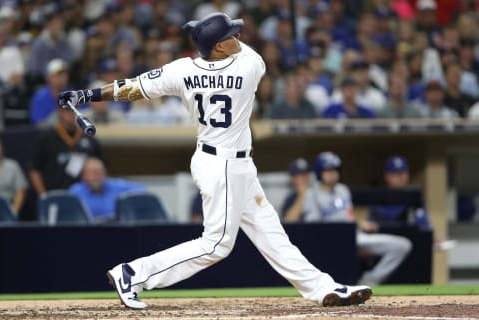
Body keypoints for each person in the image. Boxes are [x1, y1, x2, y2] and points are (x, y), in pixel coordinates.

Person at [57, 13, 372, 310]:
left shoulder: (182, 70)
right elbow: (236, 49)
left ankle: (321, 288)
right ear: (220, 46)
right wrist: (204, 33)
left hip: (225, 162)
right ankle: (133, 273)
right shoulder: (250, 66)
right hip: (223, 166)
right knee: (217, 244)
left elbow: (132, 88)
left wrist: (87, 94)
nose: (238, 36)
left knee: (270, 231)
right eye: (231, 35)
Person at [299, 151, 412, 286]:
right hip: (330, 241)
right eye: (328, 170)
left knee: (402, 246)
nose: (332, 173)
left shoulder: (343, 190)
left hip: (355, 237)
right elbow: (312, 227)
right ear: (319, 172)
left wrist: (360, 223)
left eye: (335, 169)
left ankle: (369, 281)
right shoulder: (312, 194)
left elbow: (347, 217)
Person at [29, 105, 105, 197]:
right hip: (55, 194)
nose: (70, 114)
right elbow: (35, 170)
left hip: (85, 197)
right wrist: (44, 196)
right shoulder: (45, 139)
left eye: (73, 110)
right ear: (59, 112)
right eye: (67, 111)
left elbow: (102, 168)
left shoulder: (88, 139)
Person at [69, 157, 145, 222]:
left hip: (115, 229)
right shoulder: (75, 192)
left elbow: (141, 189)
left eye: (98, 172)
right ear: (83, 176)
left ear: (105, 173)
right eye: (91, 173)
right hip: (87, 231)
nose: (95, 177)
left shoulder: (115, 186)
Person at [369, 156, 430, 230]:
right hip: (385, 239)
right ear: (387, 176)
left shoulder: (414, 198)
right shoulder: (378, 200)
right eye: (397, 174)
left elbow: (424, 227)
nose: (402, 177)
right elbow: (372, 228)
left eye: (404, 173)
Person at [0, 138, 28, 215]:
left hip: (8, 208)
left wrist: (13, 212)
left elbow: (20, 191)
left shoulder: (13, 166)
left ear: (2, 147)